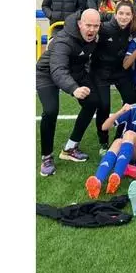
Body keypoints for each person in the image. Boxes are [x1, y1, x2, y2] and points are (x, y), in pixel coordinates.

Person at [36, 9, 101, 176]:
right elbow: (58, 70)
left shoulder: (96, 34)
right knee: (50, 110)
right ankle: (46, 157)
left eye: (96, 26)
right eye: (88, 25)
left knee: (93, 101)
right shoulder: (63, 40)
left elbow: (112, 20)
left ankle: (70, 148)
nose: (92, 30)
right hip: (47, 73)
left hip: (76, 71)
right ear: (80, 24)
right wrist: (74, 89)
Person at [86, 83, 136, 198]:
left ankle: (117, 175)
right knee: (117, 142)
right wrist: (120, 111)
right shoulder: (133, 108)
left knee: (128, 134)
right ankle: (98, 180)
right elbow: (104, 127)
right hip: (127, 147)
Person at [89, 2, 136, 147]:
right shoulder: (103, 28)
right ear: (115, 14)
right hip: (101, 71)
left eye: (127, 14)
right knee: (104, 105)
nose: (124, 17)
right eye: (121, 13)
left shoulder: (133, 30)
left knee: (131, 100)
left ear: (132, 16)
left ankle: (120, 135)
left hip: (121, 71)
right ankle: (103, 140)